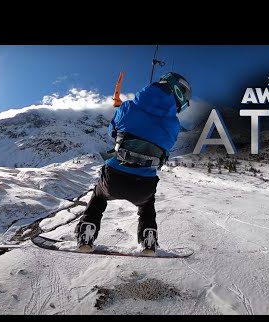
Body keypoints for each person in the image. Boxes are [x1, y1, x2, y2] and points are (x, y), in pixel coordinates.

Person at [74, 72, 191, 254]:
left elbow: (111, 132)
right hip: (143, 186)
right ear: (178, 93)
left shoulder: (128, 107)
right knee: (147, 205)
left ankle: (86, 236)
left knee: (98, 196)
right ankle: (148, 240)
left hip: (114, 178)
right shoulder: (174, 125)